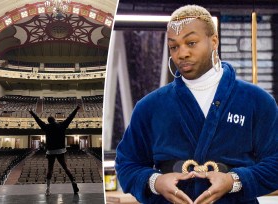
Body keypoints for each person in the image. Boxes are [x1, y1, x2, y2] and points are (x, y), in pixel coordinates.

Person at [115, 4, 278, 204]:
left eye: (191, 43)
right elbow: (127, 164)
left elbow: (275, 162)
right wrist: (155, 182)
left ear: (214, 41)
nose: (181, 53)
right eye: (174, 46)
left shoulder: (256, 101)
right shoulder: (149, 106)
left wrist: (234, 180)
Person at [29, 106, 80, 196]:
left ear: (48, 121)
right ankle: (73, 182)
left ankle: (48, 189)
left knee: (50, 170)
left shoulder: (46, 127)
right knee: (66, 167)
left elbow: (37, 120)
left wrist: (32, 113)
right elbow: (70, 117)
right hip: (60, 150)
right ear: (55, 120)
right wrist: (76, 109)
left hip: (51, 151)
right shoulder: (61, 125)